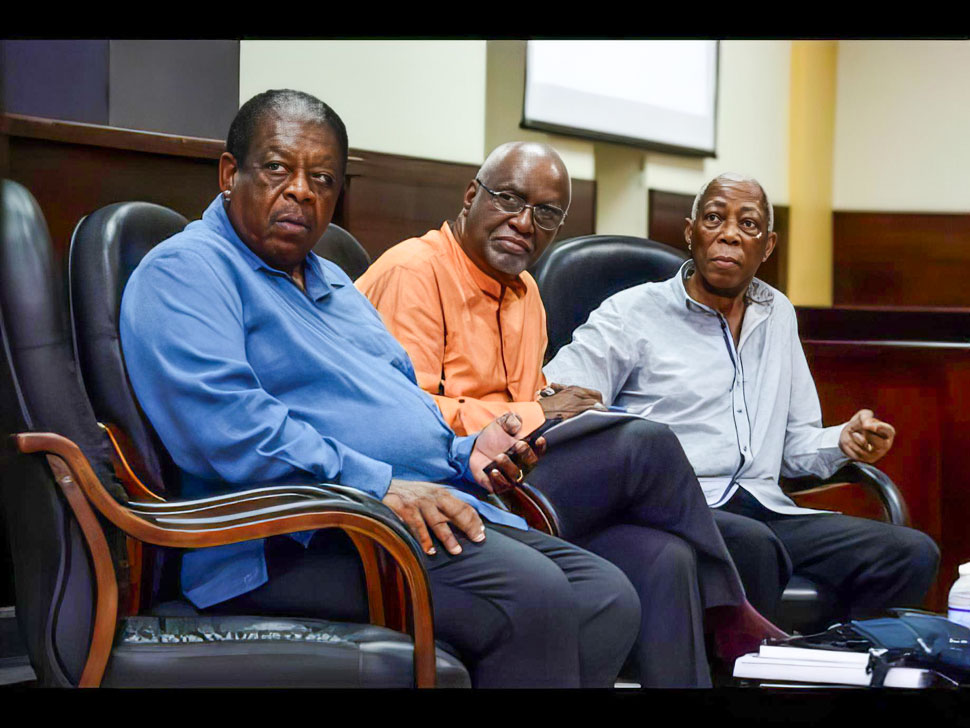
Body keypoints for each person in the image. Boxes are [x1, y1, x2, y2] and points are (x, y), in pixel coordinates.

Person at [119, 89, 642, 688]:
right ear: (229, 174)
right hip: (294, 539)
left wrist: (466, 454)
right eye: (277, 169)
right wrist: (381, 486)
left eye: (321, 178)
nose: (300, 190)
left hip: (406, 509)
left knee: (607, 596)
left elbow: (401, 399)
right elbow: (229, 430)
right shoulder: (186, 271)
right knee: (534, 594)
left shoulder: (332, 281)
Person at [356, 142, 784, 688]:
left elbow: (527, 406)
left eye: (546, 213)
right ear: (471, 196)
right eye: (509, 199)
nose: (523, 222)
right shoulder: (414, 271)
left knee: (665, 557)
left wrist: (554, 411)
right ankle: (729, 608)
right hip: (448, 489)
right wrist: (539, 410)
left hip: (517, 482)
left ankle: (718, 623)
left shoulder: (527, 290)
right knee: (644, 443)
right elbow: (406, 421)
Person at [544, 171, 940, 623]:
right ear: (692, 234)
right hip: (679, 513)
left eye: (748, 225)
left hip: (766, 507)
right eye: (714, 219)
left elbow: (795, 446)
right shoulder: (633, 312)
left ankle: (830, 667)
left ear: (767, 246)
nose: (729, 235)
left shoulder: (778, 314)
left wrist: (842, 441)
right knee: (753, 546)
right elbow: (557, 396)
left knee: (911, 553)